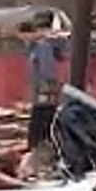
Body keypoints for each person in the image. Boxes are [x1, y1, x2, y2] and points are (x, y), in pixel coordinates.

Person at [21, 13, 67, 156]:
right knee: (42, 118)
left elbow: (47, 71)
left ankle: (40, 148)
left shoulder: (43, 47)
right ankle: (39, 147)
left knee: (42, 119)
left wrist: (46, 89)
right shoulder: (36, 48)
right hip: (40, 90)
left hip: (44, 90)